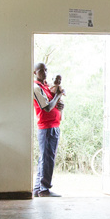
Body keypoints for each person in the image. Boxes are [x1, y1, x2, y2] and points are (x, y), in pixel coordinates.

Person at [32, 62, 65, 197]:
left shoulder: (46, 87)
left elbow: (54, 105)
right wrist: (58, 95)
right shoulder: (36, 88)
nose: (44, 72)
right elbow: (46, 108)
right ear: (35, 73)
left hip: (53, 125)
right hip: (46, 127)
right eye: (41, 70)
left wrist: (59, 103)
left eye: (46, 70)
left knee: (45, 158)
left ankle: (37, 189)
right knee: (47, 158)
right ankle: (44, 189)